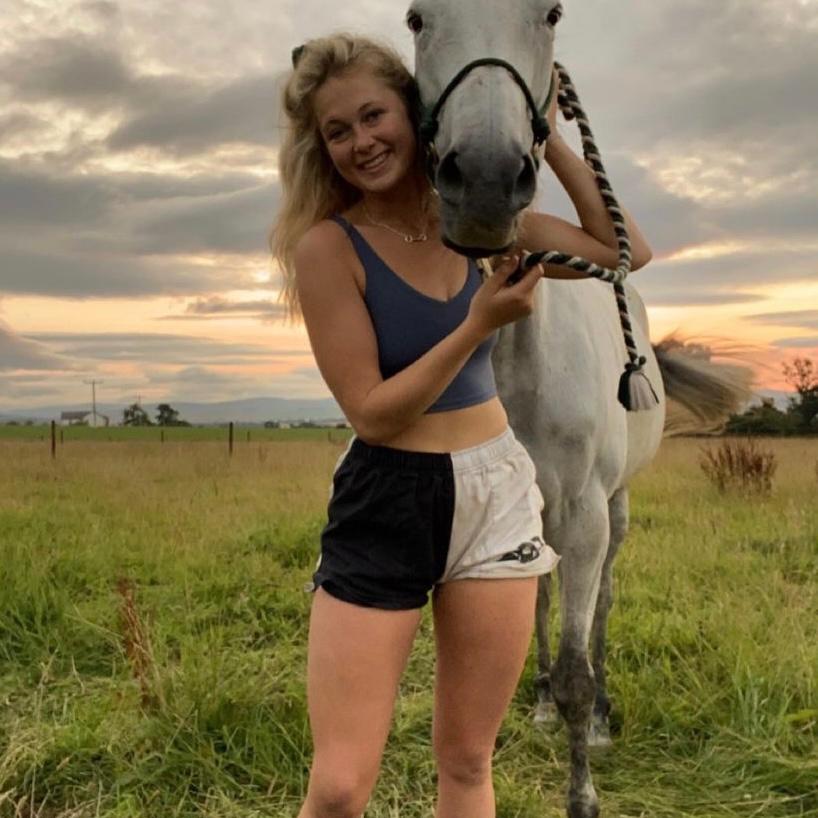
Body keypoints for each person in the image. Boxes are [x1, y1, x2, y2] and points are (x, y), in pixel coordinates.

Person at [270, 33, 651, 818]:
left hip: (497, 493)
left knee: (471, 763)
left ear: (416, 114)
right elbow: (372, 414)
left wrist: (541, 131)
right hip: (389, 499)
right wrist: (477, 325)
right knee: (340, 788)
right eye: (335, 132)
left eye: (374, 115)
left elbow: (623, 249)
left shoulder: (478, 225)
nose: (360, 142)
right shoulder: (327, 248)